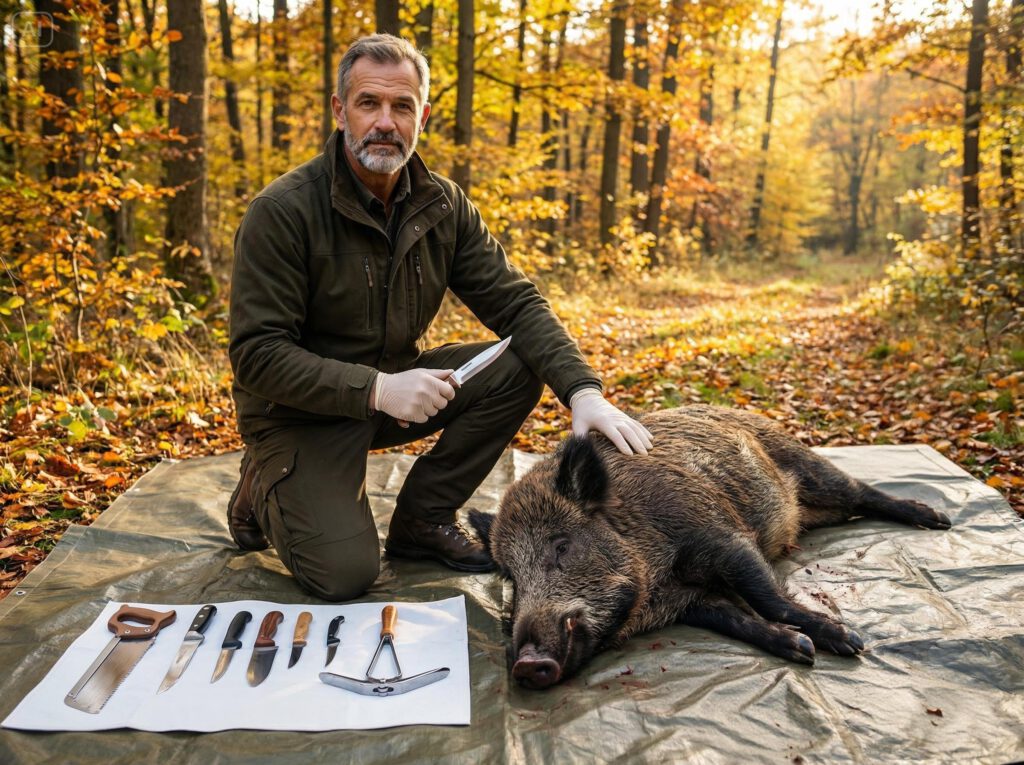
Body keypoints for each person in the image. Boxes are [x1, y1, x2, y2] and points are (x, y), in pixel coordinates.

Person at [227, 33, 653, 601]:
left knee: (521, 361)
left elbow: (518, 304)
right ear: (339, 111)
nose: (386, 122)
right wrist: (377, 388)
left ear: (422, 115)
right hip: (299, 414)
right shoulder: (282, 212)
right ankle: (262, 484)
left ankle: (422, 521)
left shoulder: (444, 206)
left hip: (396, 392)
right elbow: (257, 356)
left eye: (402, 106)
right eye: (368, 103)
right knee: (345, 576)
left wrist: (583, 392)